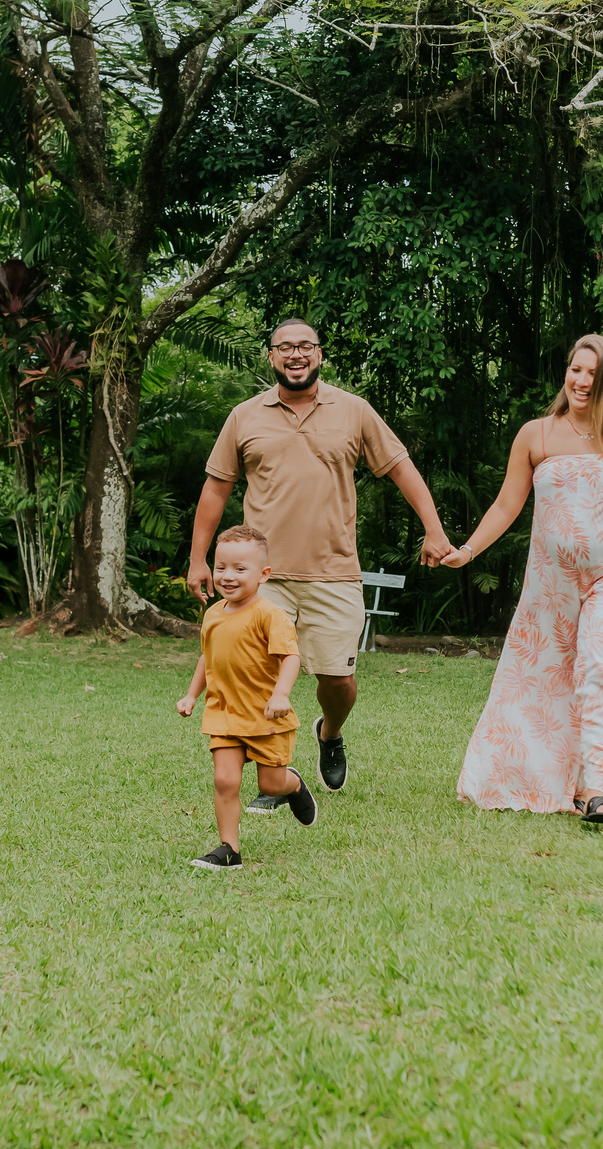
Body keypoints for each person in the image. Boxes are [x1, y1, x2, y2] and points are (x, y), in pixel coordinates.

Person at [188, 318, 451, 800]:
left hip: (334, 571)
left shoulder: (353, 411)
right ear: (271, 357)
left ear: (319, 354)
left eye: (305, 346)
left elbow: (400, 467)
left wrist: (434, 530)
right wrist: (198, 559)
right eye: (284, 347)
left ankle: (329, 734)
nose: (295, 354)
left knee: (339, 679)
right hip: (261, 577)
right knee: (258, 676)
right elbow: (216, 487)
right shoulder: (245, 416)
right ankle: (274, 772)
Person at [445, 334, 603, 826]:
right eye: (576, 370)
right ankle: (554, 779)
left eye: (593, 374)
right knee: (542, 678)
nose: (581, 381)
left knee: (600, 665)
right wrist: (467, 550)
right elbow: (507, 504)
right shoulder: (537, 435)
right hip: (552, 582)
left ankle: (597, 790)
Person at [176, 523, 319, 871]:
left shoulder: (269, 615)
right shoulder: (212, 614)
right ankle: (229, 849)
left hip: (266, 715)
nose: (228, 576)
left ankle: (294, 785)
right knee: (225, 780)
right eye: (221, 567)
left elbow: (291, 657)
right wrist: (192, 695)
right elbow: (207, 657)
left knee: (270, 784)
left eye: (240, 569)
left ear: (263, 574)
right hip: (224, 713)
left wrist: (281, 694)